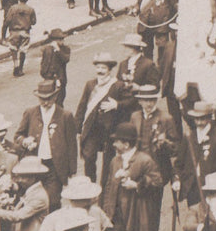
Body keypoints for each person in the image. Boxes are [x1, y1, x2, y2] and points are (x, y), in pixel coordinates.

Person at [101, 122, 164, 231]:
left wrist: (137, 185)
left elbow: (157, 183)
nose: (114, 144)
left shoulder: (145, 161)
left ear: (126, 144)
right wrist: (106, 213)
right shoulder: (114, 161)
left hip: (135, 217)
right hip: (116, 218)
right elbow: (108, 188)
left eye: (117, 141)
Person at [14, 80, 79, 211]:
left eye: (49, 99)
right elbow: (17, 136)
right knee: (33, 201)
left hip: (54, 166)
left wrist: (72, 171)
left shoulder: (65, 116)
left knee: (53, 201)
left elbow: (72, 145)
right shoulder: (30, 113)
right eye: (42, 99)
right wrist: (24, 141)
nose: (45, 102)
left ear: (55, 96)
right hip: (34, 166)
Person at [76, 52, 131, 183]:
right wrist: (78, 128)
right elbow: (82, 106)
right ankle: (91, 185)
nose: (100, 71)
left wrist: (117, 105)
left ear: (109, 70)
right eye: (98, 68)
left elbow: (130, 103)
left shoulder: (118, 85)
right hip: (92, 128)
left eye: (103, 68)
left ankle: (105, 189)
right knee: (88, 157)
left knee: (108, 161)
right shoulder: (90, 84)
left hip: (109, 129)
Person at [0, 156, 51, 231]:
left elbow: (18, 216)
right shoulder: (31, 191)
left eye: (23, 177)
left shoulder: (39, 196)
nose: (19, 180)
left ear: (33, 178)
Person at [2, 0, 36, 77]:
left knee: (13, 49)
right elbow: (33, 22)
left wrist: (3, 34)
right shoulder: (31, 9)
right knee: (23, 50)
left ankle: (15, 65)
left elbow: (7, 20)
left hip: (14, 32)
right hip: (25, 32)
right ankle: (21, 68)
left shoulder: (13, 8)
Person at [39, 28, 71, 107]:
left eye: (62, 39)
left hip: (60, 78)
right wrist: (46, 75)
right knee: (50, 102)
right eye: (59, 40)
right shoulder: (47, 50)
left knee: (60, 100)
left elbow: (66, 59)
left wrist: (58, 50)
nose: (62, 41)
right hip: (49, 79)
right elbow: (44, 64)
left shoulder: (65, 49)